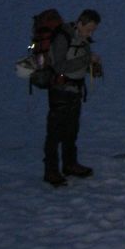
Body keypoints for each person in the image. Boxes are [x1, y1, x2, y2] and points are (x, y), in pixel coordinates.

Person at [43, 9, 102, 187]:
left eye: (93, 30)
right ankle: (51, 171)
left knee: (71, 129)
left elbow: (81, 63)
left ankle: (70, 164)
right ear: (80, 23)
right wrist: (86, 61)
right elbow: (59, 65)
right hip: (60, 89)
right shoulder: (63, 37)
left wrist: (93, 66)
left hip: (75, 90)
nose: (90, 33)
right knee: (55, 132)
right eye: (89, 29)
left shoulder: (82, 40)